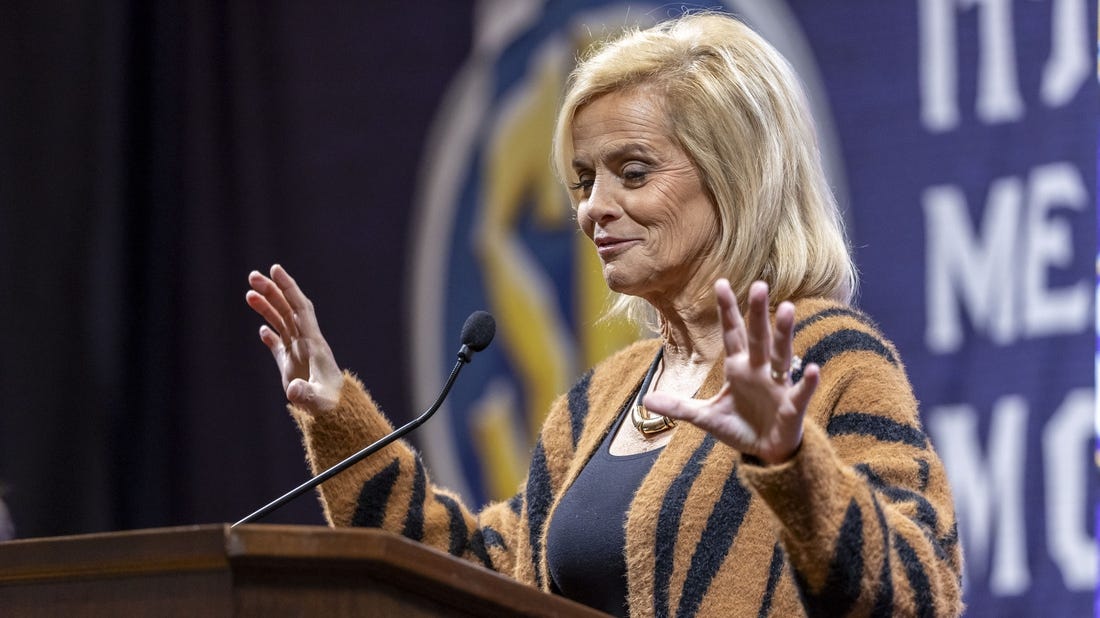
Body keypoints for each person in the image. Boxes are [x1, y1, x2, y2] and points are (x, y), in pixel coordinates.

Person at [246, 12, 962, 617]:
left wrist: (789, 461)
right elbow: (477, 574)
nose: (592, 208)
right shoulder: (600, 402)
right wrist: (338, 416)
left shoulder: (831, 359)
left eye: (634, 171)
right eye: (585, 180)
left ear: (735, 177)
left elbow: (922, 587)